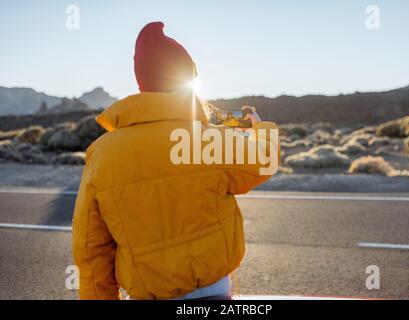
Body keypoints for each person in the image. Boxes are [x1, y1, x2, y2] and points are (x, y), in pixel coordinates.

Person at [72, 21, 278, 300]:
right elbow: (264, 161)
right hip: (213, 291)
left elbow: (91, 247)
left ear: (143, 81)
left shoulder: (102, 153)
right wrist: (260, 127)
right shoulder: (207, 140)